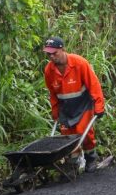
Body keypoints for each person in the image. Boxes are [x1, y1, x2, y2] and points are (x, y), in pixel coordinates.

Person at [43, 37, 105, 173]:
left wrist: (99, 105)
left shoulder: (79, 63)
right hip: (65, 108)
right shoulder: (49, 70)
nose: (52, 57)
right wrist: (55, 111)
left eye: (55, 53)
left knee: (84, 132)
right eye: (49, 54)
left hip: (83, 105)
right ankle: (73, 163)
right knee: (67, 137)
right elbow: (52, 93)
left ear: (63, 49)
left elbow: (93, 85)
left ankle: (91, 158)